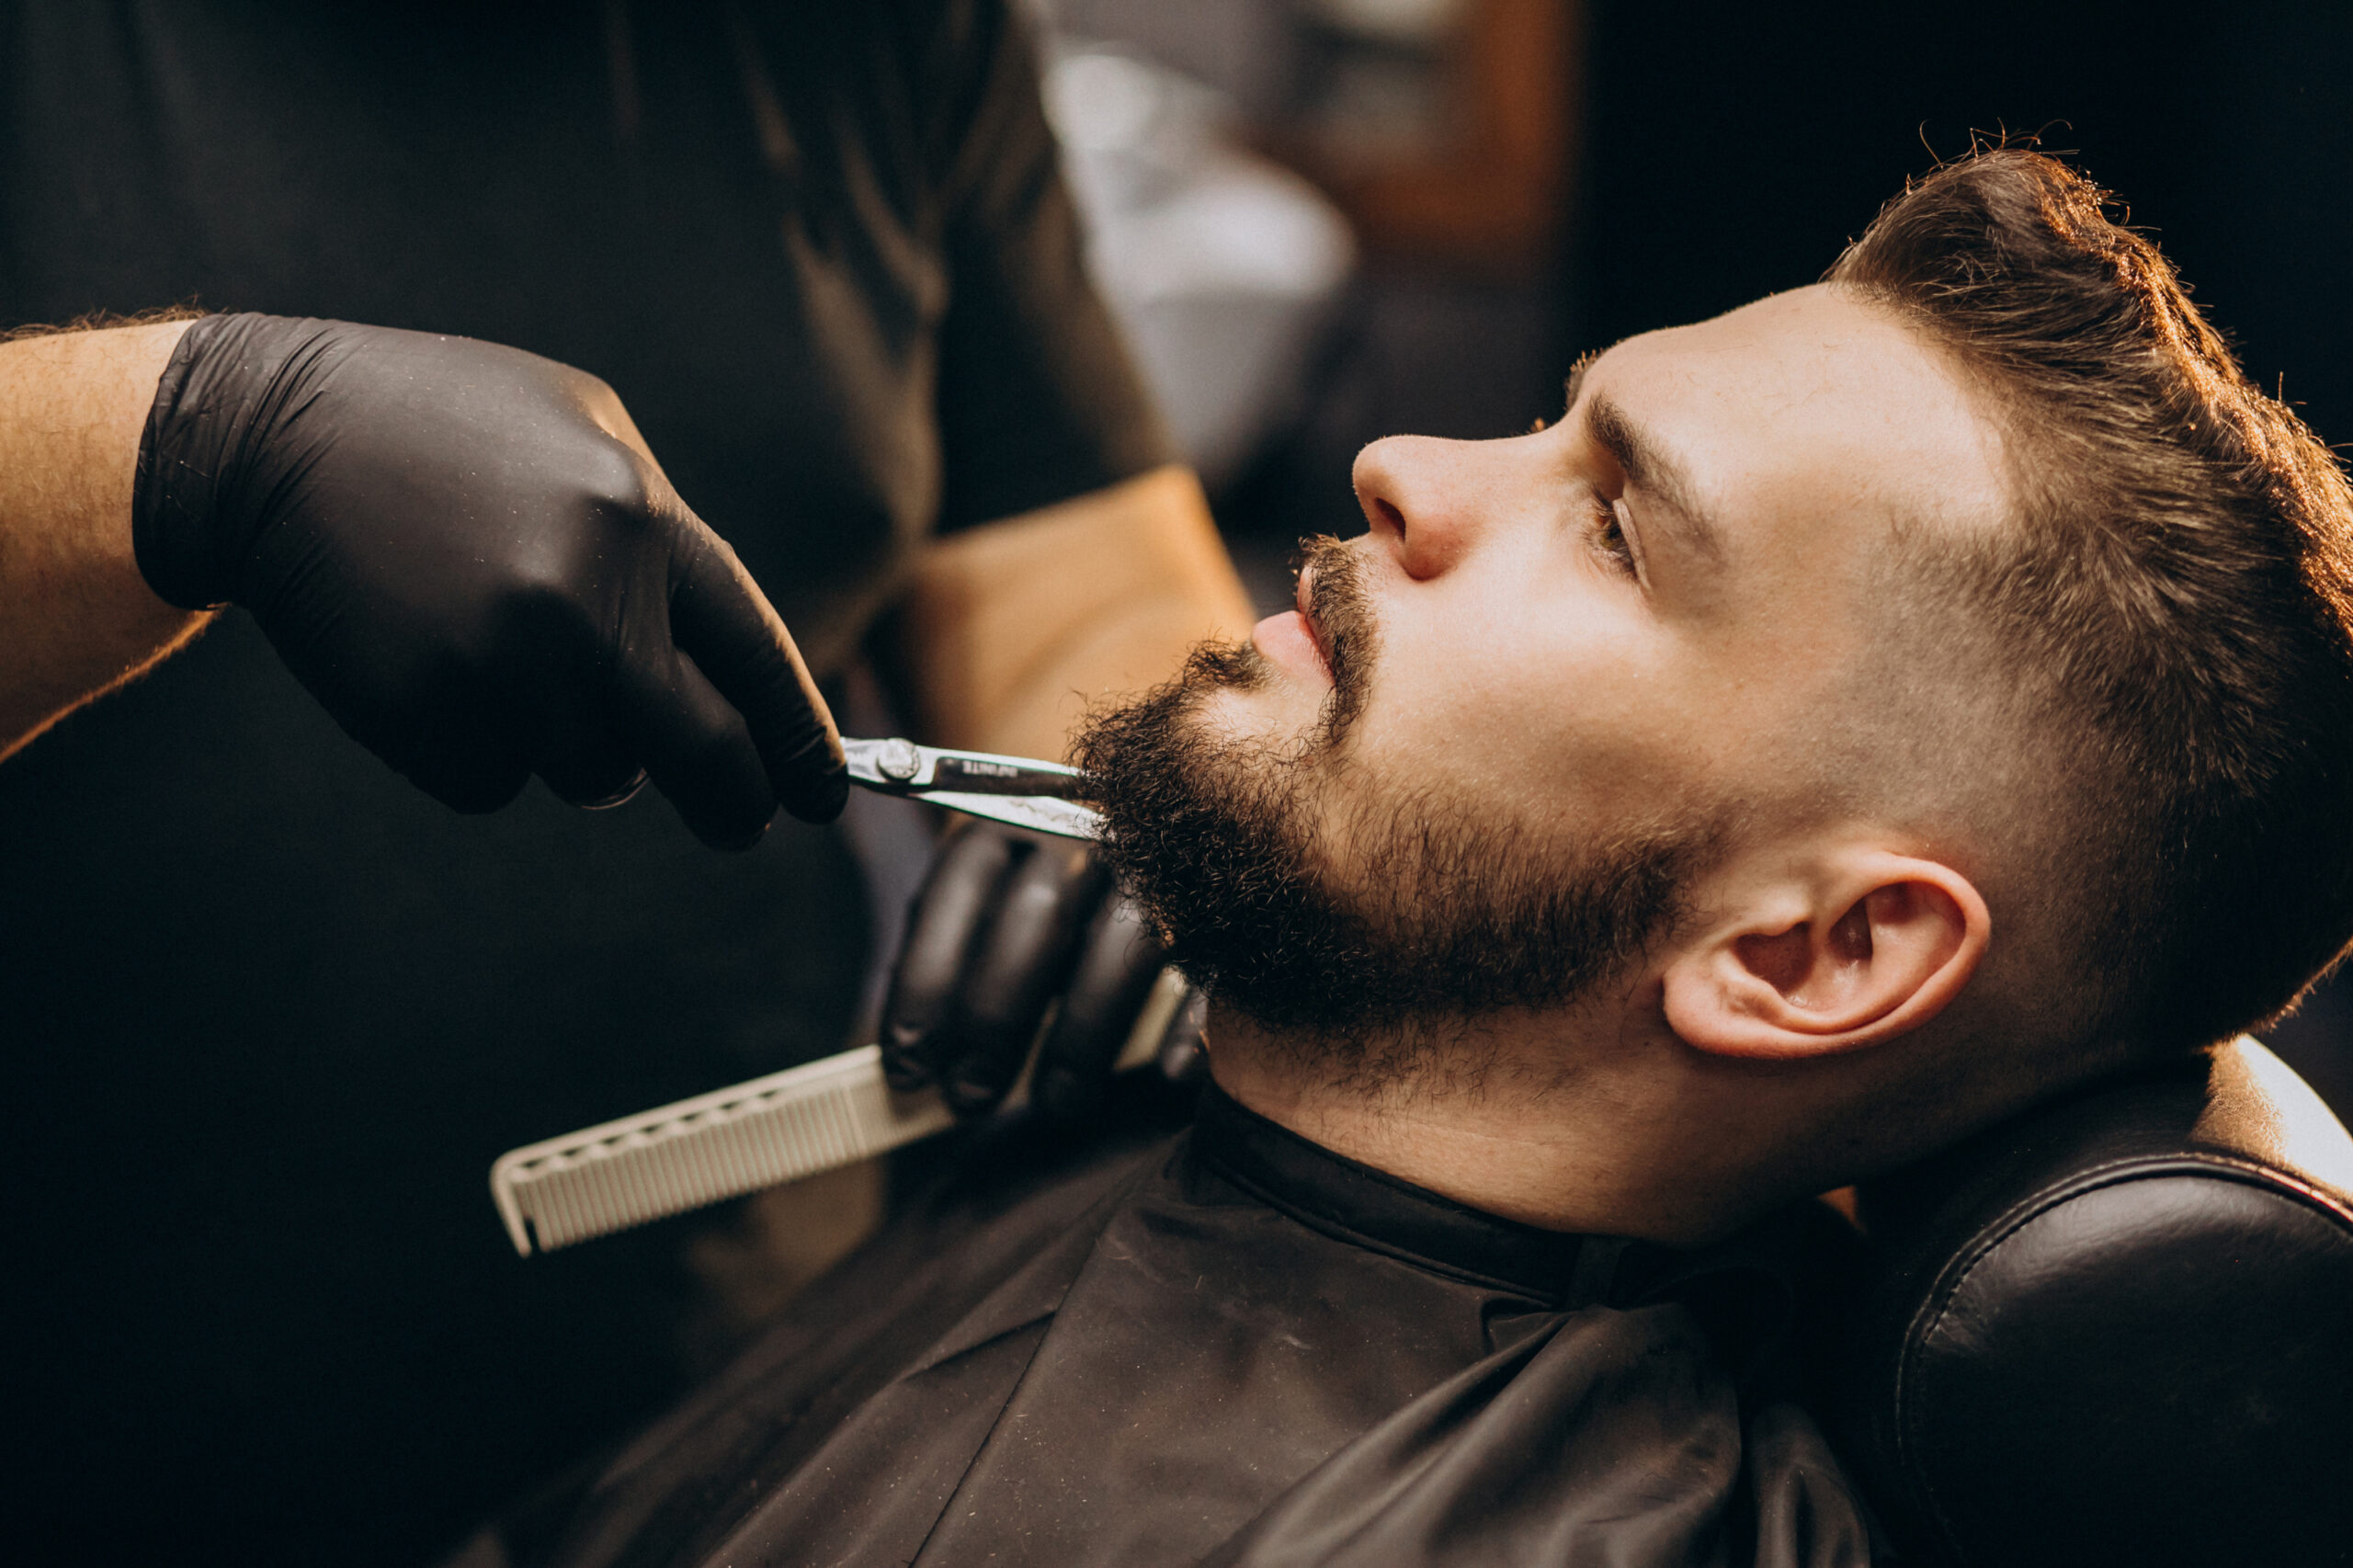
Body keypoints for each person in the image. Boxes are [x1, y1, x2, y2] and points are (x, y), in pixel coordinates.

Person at [451, 148, 2353, 1567]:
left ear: (1813, 954)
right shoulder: (1180, 1089)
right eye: (1550, 421)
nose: (1406, 464)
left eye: (1615, 529)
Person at [0, 6, 1249, 1565]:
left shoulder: (883, 40)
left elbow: (1082, 583)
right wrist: (185, 446)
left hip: (712, 1424)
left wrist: (1135, 783)